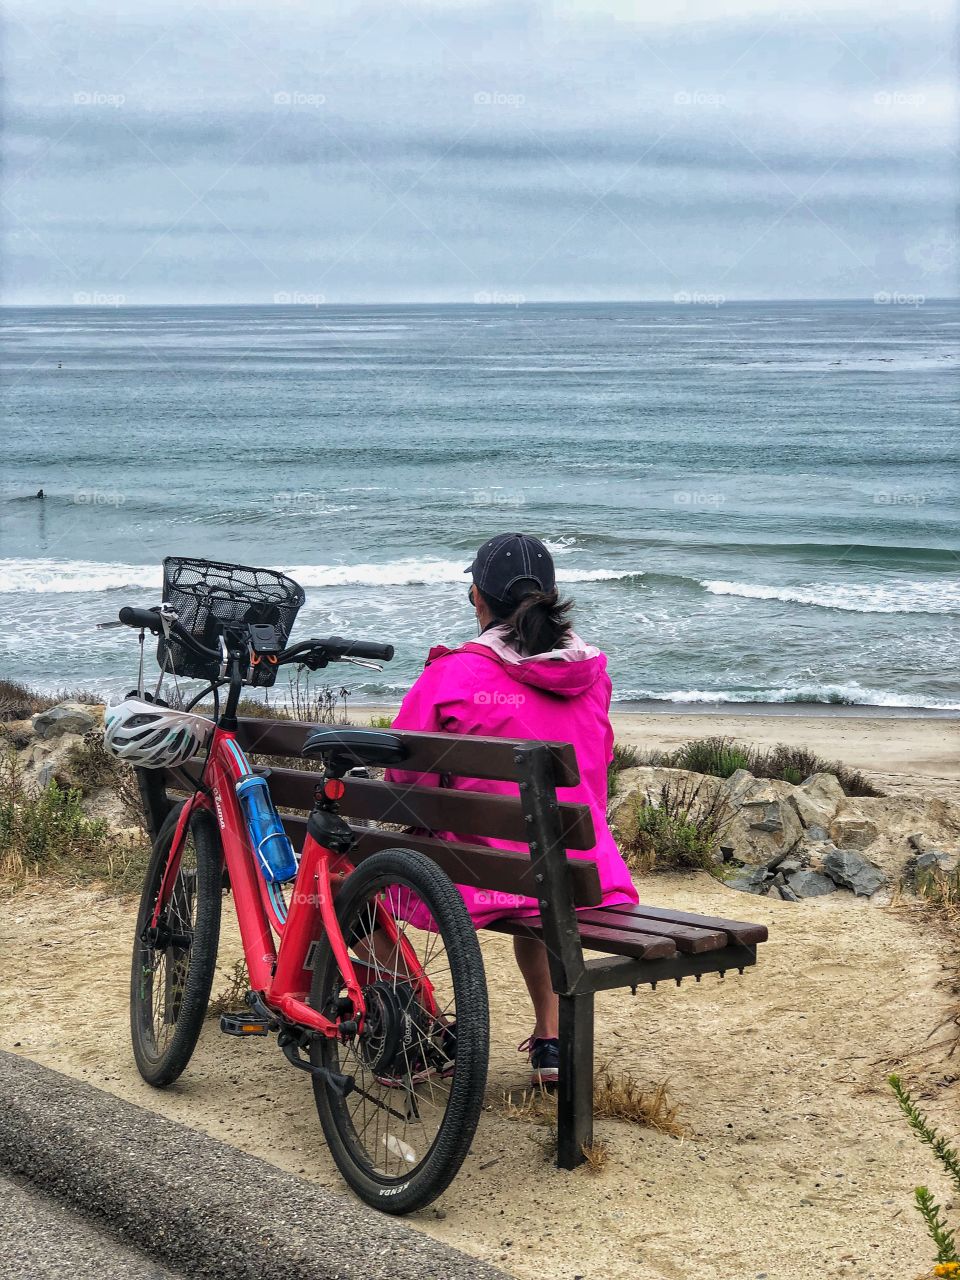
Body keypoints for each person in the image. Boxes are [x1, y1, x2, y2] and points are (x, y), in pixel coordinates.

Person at [386, 532, 638, 1086]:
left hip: (479, 875)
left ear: (478, 598)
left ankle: (425, 1029)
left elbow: (402, 777)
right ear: (549, 597)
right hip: (578, 873)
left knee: (341, 883)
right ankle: (550, 1042)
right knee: (538, 872)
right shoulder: (592, 676)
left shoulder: (450, 675)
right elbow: (596, 765)